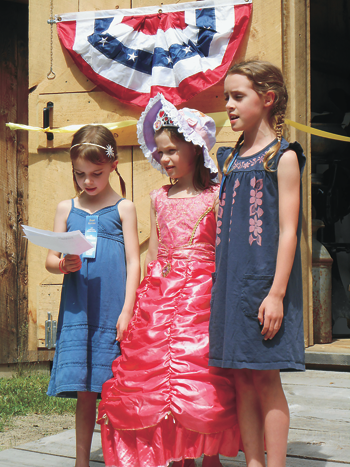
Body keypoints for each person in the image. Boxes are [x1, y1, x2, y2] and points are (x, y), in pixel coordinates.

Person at [98, 94, 241, 467]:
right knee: (158, 374)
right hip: (161, 300)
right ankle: (178, 456)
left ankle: (209, 455)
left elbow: (225, 251)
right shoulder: (158, 197)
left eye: (172, 151)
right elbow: (153, 254)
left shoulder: (217, 195)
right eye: (160, 152)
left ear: (195, 149)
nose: (164, 159)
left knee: (203, 378)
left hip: (202, 298)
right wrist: (143, 304)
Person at [209, 60, 306, 467]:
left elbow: (288, 230)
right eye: (226, 97)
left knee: (266, 377)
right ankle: (253, 461)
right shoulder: (229, 160)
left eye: (238, 96)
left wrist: (278, 293)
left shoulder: (281, 158)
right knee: (240, 378)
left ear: (266, 100)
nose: (228, 105)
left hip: (265, 285)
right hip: (232, 285)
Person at [45, 125, 140, 467]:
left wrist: (128, 310)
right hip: (79, 310)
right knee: (85, 392)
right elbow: (50, 261)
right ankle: (81, 462)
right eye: (80, 174)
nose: (88, 181)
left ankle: (121, 459)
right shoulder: (65, 208)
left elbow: (134, 261)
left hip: (113, 309)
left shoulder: (123, 208)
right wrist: (63, 264)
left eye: (96, 173)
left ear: (113, 166)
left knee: (116, 388)